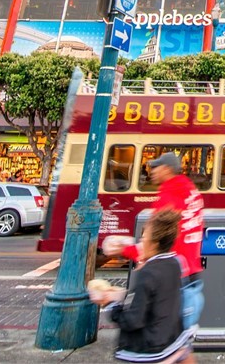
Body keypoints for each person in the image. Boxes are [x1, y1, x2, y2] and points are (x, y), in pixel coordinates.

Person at [105, 154, 205, 332]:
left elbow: (155, 242)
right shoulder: (191, 192)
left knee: (164, 343)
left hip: (173, 279)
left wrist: (124, 249)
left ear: (167, 169)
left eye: (156, 167)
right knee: (180, 345)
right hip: (191, 276)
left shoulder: (168, 196)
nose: (151, 171)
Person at [89, 208, 193, 363]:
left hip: (149, 349)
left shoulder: (148, 273)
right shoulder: (175, 263)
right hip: (170, 342)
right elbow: (156, 299)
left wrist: (110, 304)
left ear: (155, 243)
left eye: (144, 238)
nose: (140, 242)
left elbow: (133, 320)